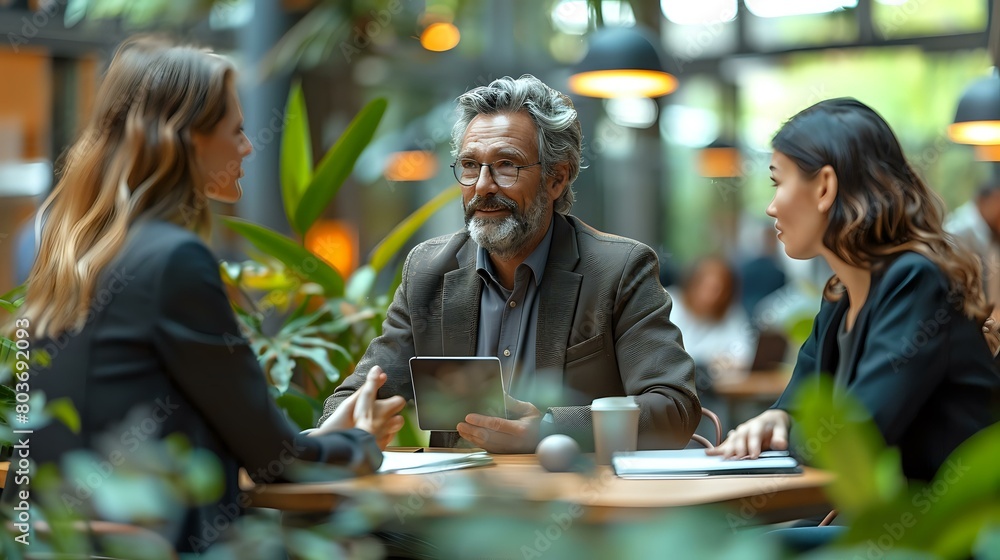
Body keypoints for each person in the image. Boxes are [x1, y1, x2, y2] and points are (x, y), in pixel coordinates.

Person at [5, 36, 406, 554]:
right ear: (187, 140)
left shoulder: (69, 253)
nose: (248, 146)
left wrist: (324, 435)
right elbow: (274, 464)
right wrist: (364, 443)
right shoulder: (174, 260)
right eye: (236, 130)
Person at [320, 75, 700, 453]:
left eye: (506, 165)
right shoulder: (428, 271)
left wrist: (551, 429)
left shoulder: (618, 270)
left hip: (579, 498)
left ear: (557, 178)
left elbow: (673, 408)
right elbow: (363, 393)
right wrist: (333, 435)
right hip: (455, 502)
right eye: (470, 165)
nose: (483, 185)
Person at [710, 98, 1000, 488]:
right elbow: (798, 403)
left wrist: (785, 434)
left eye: (778, 182)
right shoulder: (840, 297)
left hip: (944, 539)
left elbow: (856, 440)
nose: (771, 207)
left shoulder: (916, 281)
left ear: (825, 187)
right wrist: (776, 418)